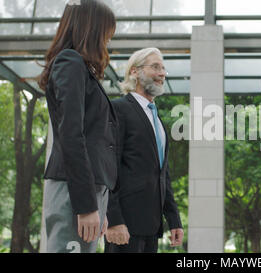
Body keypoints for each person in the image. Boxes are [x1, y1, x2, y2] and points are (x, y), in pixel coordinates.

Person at [39, 0, 117, 253]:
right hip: (75, 192)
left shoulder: (79, 68)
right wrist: (86, 205)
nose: (107, 42)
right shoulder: (70, 62)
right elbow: (72, 136)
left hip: (86, 191)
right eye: (106, 34)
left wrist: (97, 205)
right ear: (92, 30)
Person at [104, 48, 183, 253]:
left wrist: (173, 219)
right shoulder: (118, 109)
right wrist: (113, 219)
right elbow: (108, 165)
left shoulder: (157, 120)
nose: (162, 73)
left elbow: (162, 173)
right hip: (124, 226)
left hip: (152, 227)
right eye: (155, 67)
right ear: (134, 72)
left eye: (163, 68)